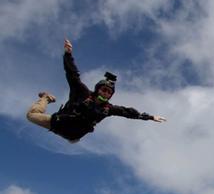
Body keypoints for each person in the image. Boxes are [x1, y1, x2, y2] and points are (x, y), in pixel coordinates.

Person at [26, 39, 166, 142]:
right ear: (97, 90)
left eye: (108, 92)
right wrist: (68, 55)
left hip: (73, 136)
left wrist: (150, 117)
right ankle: (47, 98)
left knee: (73, 139)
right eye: (103, 90)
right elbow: (72, 75)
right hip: (57, 123)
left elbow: (127, 112)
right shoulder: (83, 93)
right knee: (31, 115)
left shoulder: (108, 109)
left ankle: (71, 133)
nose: (105, 93)